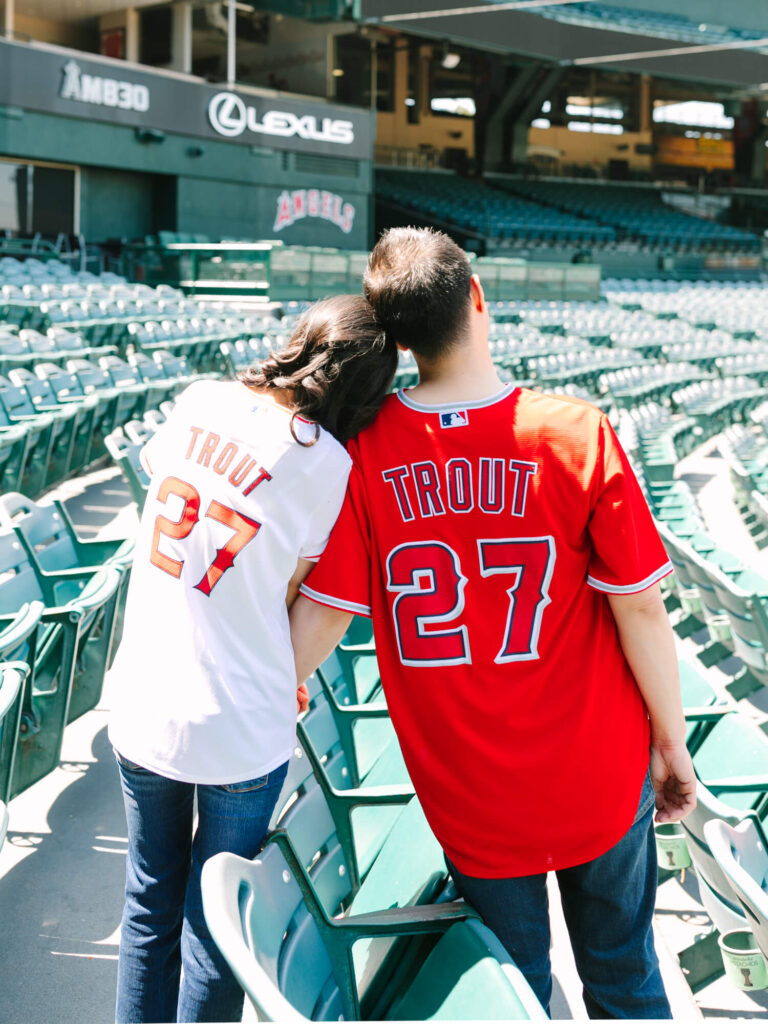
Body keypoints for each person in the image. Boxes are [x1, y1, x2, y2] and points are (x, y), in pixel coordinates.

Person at [288, 228, 697, 1019]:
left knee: (514, 997)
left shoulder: (366, 451)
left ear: (399, 335)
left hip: (471, 794)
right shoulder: (575, 432)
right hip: (598, 775)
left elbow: (328, 611)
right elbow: (641, 605)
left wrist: (278, 686)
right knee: (625, 979)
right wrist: (672, 745)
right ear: (478, 299)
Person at [107, 295, 397, 1024]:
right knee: (215, 927)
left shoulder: (200, 398)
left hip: (145, 701)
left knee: (149, 902)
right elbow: (292, 592)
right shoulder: (325, 462)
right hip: (240, 722)